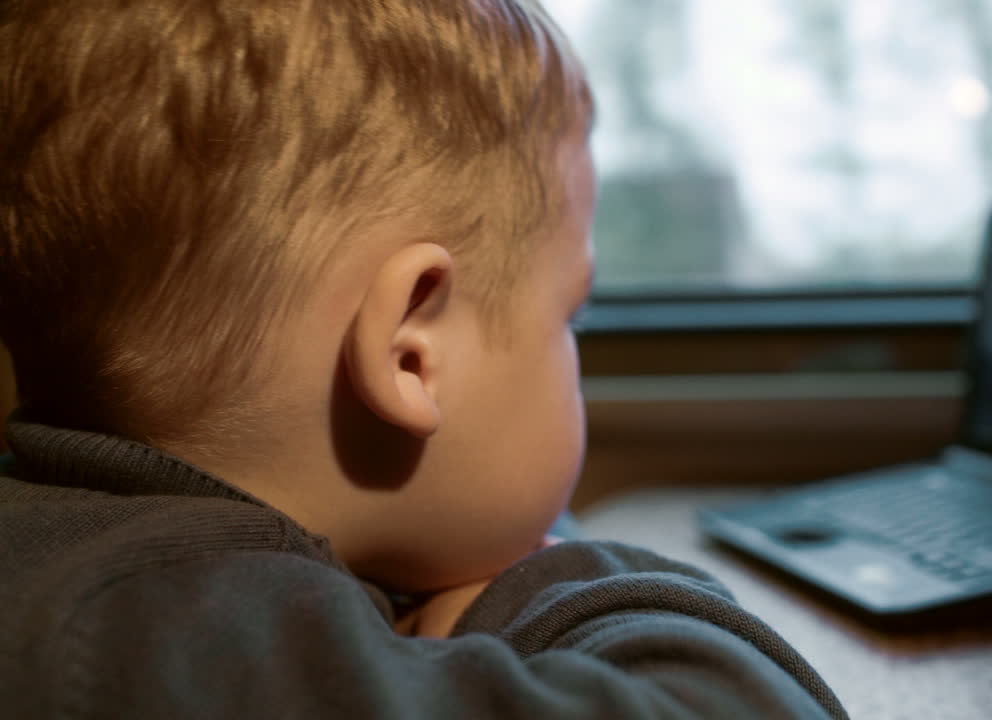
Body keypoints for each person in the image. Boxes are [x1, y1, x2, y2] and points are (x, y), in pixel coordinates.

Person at [0, 1, 848, 718]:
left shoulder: (84, 557)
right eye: (570, 316)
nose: (574, 347)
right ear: (410, 353)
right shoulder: (177, 636)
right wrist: (541, 579)